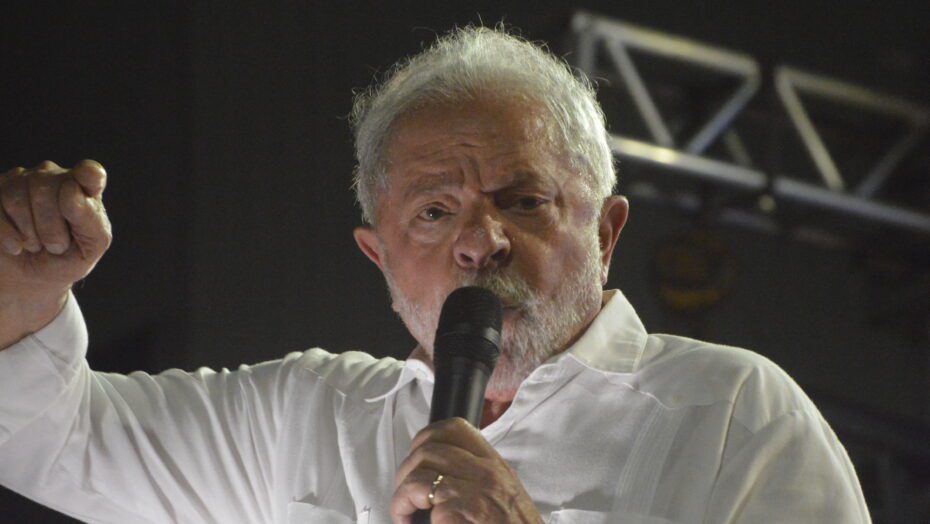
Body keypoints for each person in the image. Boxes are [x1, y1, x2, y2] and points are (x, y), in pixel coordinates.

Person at [0, 26, 870, 524]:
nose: (479, 242)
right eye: (433, 212)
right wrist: (24, 283)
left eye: (523, 201)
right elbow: (49, 439)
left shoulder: (732, 414)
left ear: (606, 232)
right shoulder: (302, 418)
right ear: (378, 257)